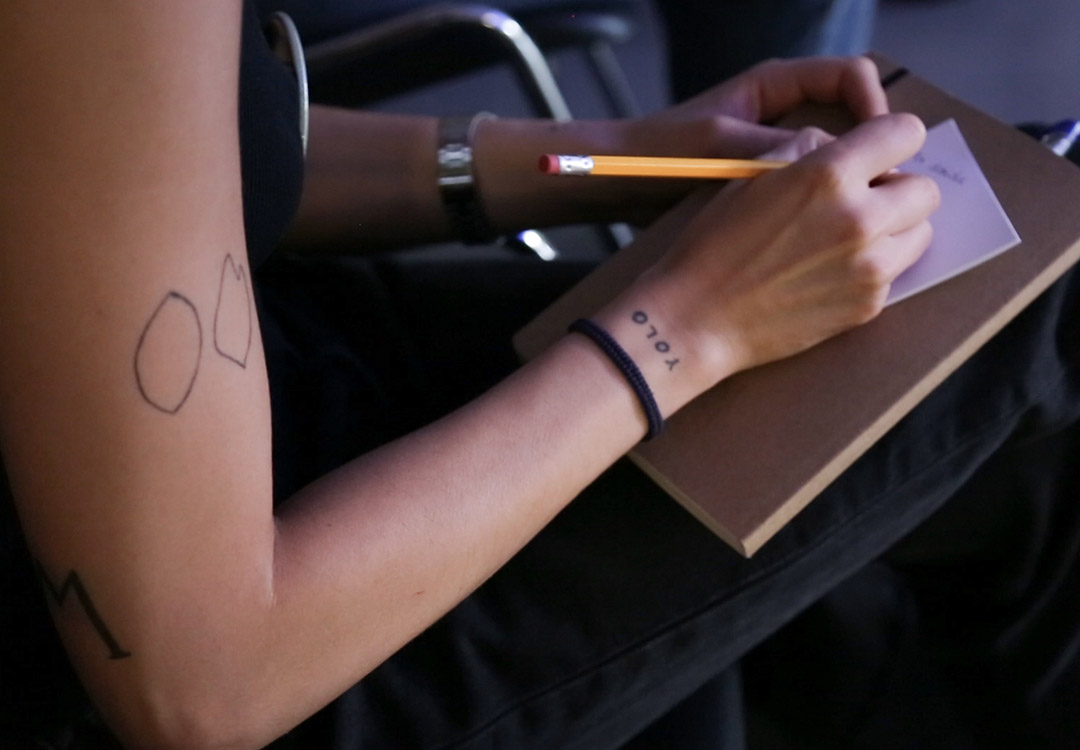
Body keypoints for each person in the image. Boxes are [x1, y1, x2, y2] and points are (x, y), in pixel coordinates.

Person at [1, 1, 1077, 748]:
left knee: (1005, 279)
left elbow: (171, 145)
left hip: (272, 366)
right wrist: (687, 328)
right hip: (257, 643)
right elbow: (203, 687)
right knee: (1040, 317)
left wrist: (612, 156)